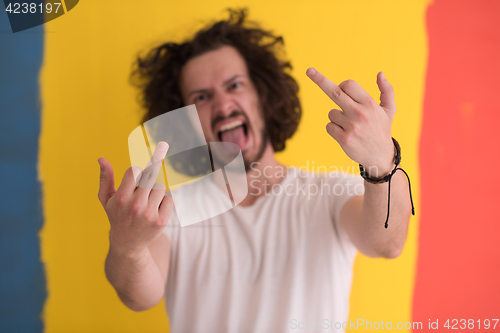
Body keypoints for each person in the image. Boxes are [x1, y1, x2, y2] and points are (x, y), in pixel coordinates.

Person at [97, 9, 413, 333]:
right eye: (202, 96)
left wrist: (381, 160)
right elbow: (139, 297)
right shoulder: (173, 210)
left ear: (263, 96)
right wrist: (128, 246)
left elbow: (387, 244)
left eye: (234, 85)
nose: (222, 105)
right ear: (185, 121)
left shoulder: (329, 194)